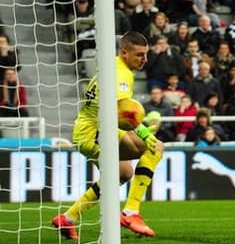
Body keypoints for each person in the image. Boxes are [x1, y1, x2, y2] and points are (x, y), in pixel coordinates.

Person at [52, 32, 163, 239]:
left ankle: (67, 219)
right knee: (155, 147)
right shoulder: (120, 73)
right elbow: (121, 111)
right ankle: (131, 212)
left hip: (90, 130)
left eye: (145, 55)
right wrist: (146, 133)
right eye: (139, 55)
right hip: (94, 130)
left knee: (123, 173)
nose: (144, 59)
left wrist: (144, 131)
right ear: (124, 52)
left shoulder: (115, 66)